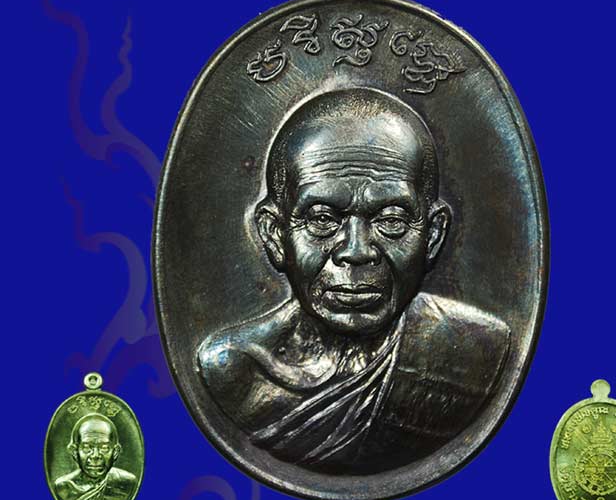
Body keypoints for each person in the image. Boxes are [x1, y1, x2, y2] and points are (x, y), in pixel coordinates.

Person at [198, 88, 510, 473]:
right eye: (322, 219)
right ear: (275, 235)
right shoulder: (234, 370)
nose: (356, 252)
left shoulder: (477, 351)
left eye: (391, 220)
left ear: (432, 236)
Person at [55, 414, 137, 500]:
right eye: (87, 447)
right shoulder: (64, 488)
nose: (95, 456)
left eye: (104, 448)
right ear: (74, 452)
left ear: (115, 452)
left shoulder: (126, 483)